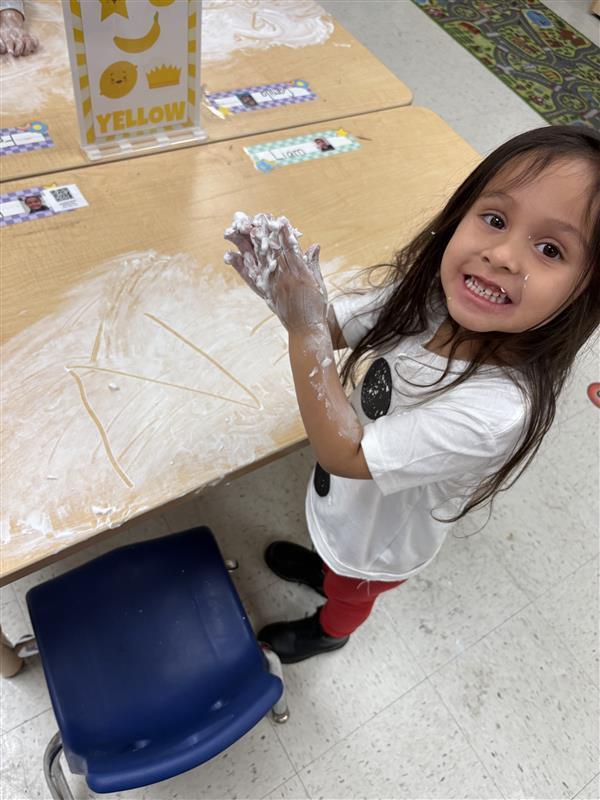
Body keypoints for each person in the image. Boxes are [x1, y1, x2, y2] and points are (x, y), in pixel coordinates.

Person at [224, 125, 600, 663]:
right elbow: (332, 327)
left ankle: (330, 630)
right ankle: (325, 569)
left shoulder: (498, 411)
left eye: (549, 249)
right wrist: (290, 297)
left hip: (377, 541)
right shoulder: (433, 299)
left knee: (352, 591)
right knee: (335, 561)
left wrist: (302, 327)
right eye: (494, 219)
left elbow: (345, 451)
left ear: (587, 292)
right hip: (350, 499)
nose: (502, 255)